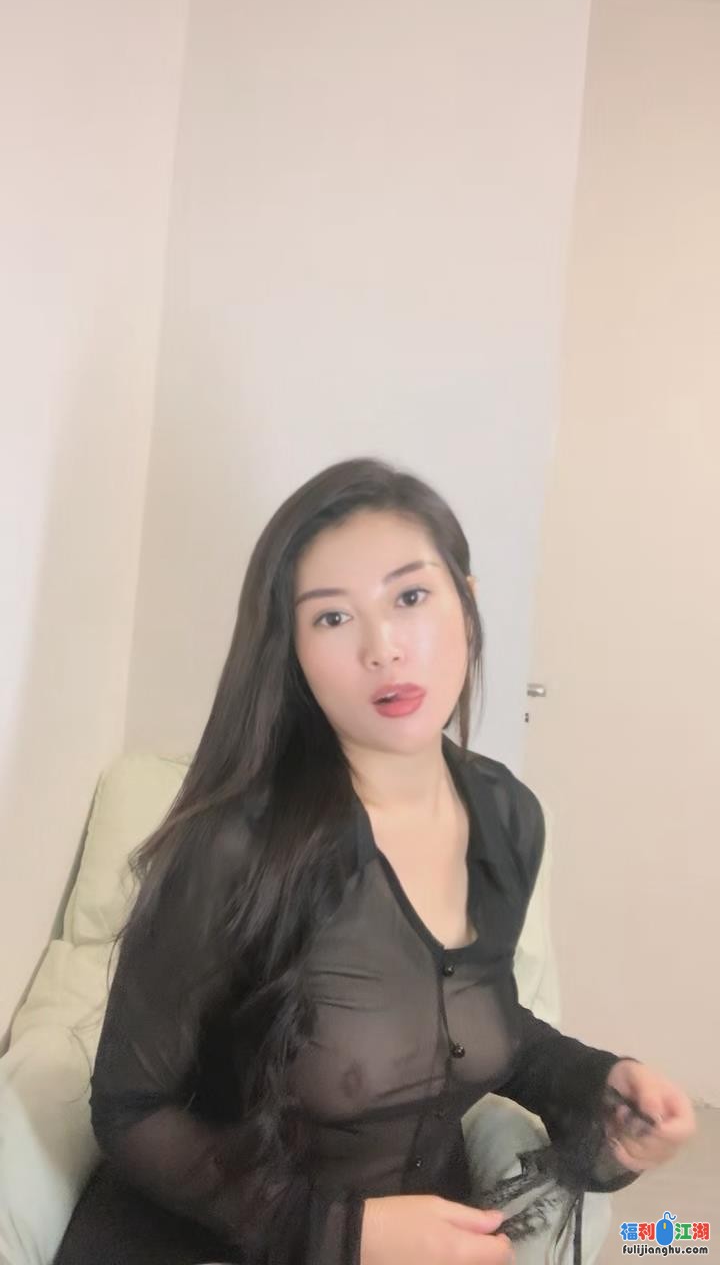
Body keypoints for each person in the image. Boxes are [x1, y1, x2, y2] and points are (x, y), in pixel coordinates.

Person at [58, 457, 695, 1265]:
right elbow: (130, 1112)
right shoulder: (235, 844)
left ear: (466, 602)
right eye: (332, 618)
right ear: (291, 651)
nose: (383, 648)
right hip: (223, 1238)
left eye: (410, 597)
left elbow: (467, 1019)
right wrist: (344, 1234)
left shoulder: (507, 816)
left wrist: (600, 1087)